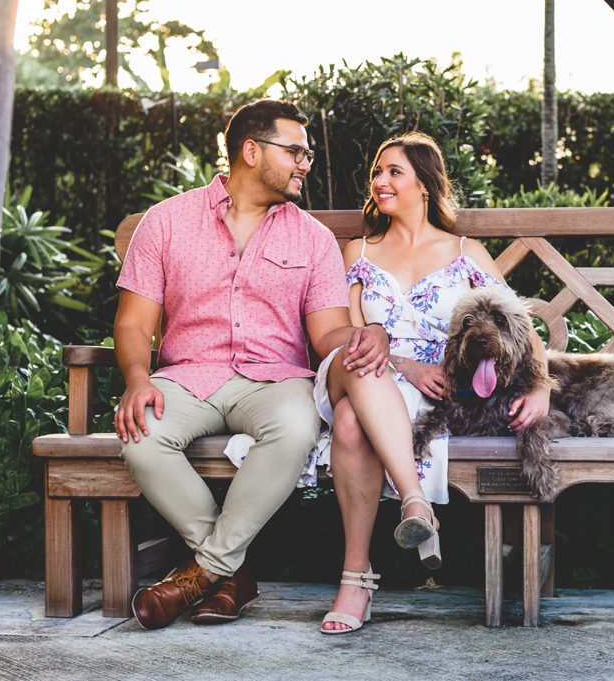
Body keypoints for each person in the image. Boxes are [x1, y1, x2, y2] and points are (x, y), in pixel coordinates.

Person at [112, 99, 391, 631]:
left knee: (294, 427)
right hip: (187, 376)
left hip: (274, 380)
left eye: (307, 153)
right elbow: (132, 324)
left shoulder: (312, 238)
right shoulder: (166, 222)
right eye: (295, 152)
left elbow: (326, 333)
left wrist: (366, 334)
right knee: (141, 432)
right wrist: (136, 379)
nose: (305, 162)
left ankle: (203, 572)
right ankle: (228, 573)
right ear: (250, 150)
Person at [308, 132, 553, 634]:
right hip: (359, 369)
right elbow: (347, 333)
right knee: (360, 379)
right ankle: (415, 500)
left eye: (394, 171)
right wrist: (403, 363)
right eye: (378, 171)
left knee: (354, 424)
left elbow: (518, 324)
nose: (380, 181)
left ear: (425, 183)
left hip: (431, 392)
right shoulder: (358, 250)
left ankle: (355, 581)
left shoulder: (465, 253)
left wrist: (541, 385)